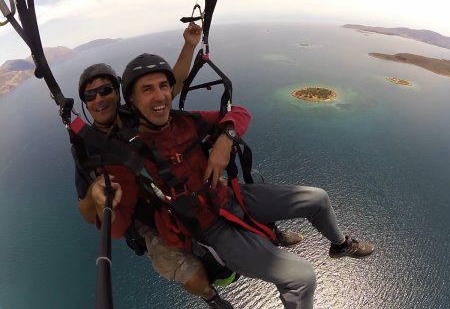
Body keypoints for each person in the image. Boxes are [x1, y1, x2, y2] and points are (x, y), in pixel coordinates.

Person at [89, 53, 375, 309]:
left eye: (163, 86)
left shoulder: (185, 121)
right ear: (134, 101)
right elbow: (117, 228)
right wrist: (99, 198)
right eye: (147, 89)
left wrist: (226, 139)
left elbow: (239, 113)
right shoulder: (129, 154)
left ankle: (340, 245)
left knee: (317, 198)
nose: (160, 95)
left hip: (232, 197)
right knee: (302, 277)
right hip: (212, 229)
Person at [72, 24, 302, 308]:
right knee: (187, 271)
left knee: (245, 192)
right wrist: (96, 194)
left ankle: (272, 234)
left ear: (118, 93)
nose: (99, 98)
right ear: (84, 103)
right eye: (90, 95)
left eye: (105, 89)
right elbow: (86, 211)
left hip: (177, 184)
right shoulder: (87, 148)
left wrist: (189, 45)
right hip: (144, 211)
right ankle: (212, 297)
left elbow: (172, 86)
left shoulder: (134, 113)